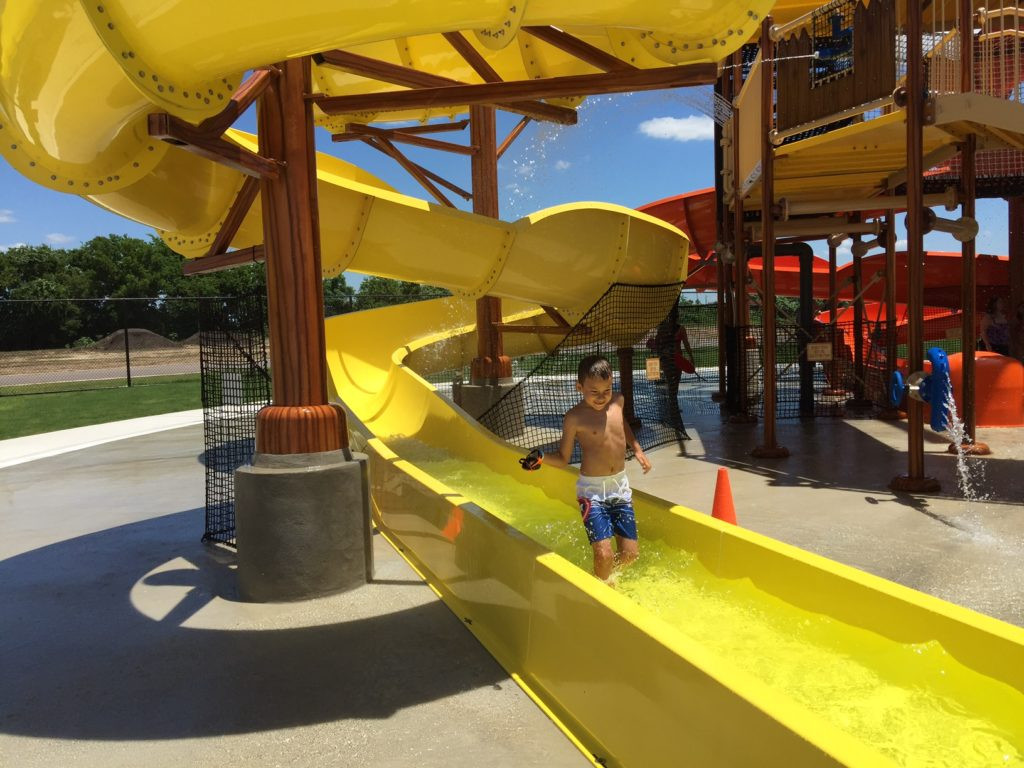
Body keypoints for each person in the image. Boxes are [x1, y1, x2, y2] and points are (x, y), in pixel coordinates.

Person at [519, 355, 651, 583]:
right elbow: (562, 458)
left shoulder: (618, 402)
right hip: (592, 492)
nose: (601, 397)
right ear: (579, 387)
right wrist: (540, 458)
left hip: (620, 487)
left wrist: (636, 448)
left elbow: (623, 424)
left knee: (630, 555)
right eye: (594, 392)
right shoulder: (574, 418)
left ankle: (607, 579)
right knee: (603, 554)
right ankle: (600, 590)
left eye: (606, 390)